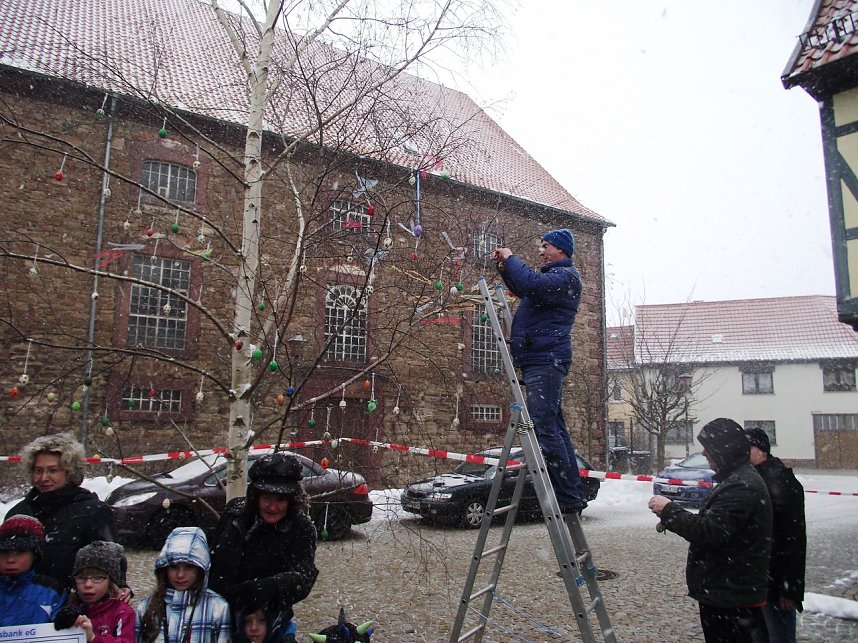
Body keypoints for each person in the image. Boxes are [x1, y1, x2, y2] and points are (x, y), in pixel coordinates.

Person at [648, 418, 772, 643]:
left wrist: (669, 511)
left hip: (731, 598)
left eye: (708, 448)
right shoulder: (738, 479)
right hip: (728, 592)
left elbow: (708, 532)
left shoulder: (742, 485)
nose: (704, 453)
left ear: (723, 450)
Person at [491, 228, 589, 513]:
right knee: (553, 427)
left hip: (545, 361)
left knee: (544, 428)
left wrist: (511, 258)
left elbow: (530, 283)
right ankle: (571, 493)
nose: (541, 251)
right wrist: (504, 267)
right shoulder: (553, 280)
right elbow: (523, 286)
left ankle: (567, 497)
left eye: (545, 246)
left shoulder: (564, 277)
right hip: (541, 360)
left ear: (561, 250)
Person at [209, 452, 318, 638]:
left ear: (292, 500)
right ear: (256, 496)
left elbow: (304, 577)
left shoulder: (300, 528)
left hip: (266, 625)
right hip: (218, 618)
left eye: (280, 500)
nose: (272, 507)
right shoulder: (235, 514)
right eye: (266, 498)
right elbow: (213, 554)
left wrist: (267, 588)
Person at [6, 432, 116, 587]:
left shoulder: (93, 512)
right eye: (38, 470)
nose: (44, 478)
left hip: (72, 605)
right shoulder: (20, 513)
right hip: (23, 606)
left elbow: (109, 567)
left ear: (69, 472)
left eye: (52, 470)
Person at [746, 427, 806, 643]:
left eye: (747, 448)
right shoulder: (757, 478)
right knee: (758, 634)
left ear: (761, 450)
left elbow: (794, 539)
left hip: (775, 582)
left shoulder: (781, 482)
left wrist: (790, 589)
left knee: (778, 636)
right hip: (758, 582)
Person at [136, 526, 230, 643]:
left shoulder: (217, 608)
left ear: (200, 569)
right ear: (164, 569)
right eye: (174, 567)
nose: (180, 575)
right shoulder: (146, 607)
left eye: (188, 567)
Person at [53, 541, 135, 643]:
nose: (88, 584)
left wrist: (93, 638)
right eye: (81, 578)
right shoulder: (70, 608)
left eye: (97, 578)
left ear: (110, 582)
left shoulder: (122, 612)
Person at [0, 514, 65, 626]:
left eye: (20, 552)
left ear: (34, 554)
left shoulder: (51, 591)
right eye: (4, 552)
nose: (10, 559)